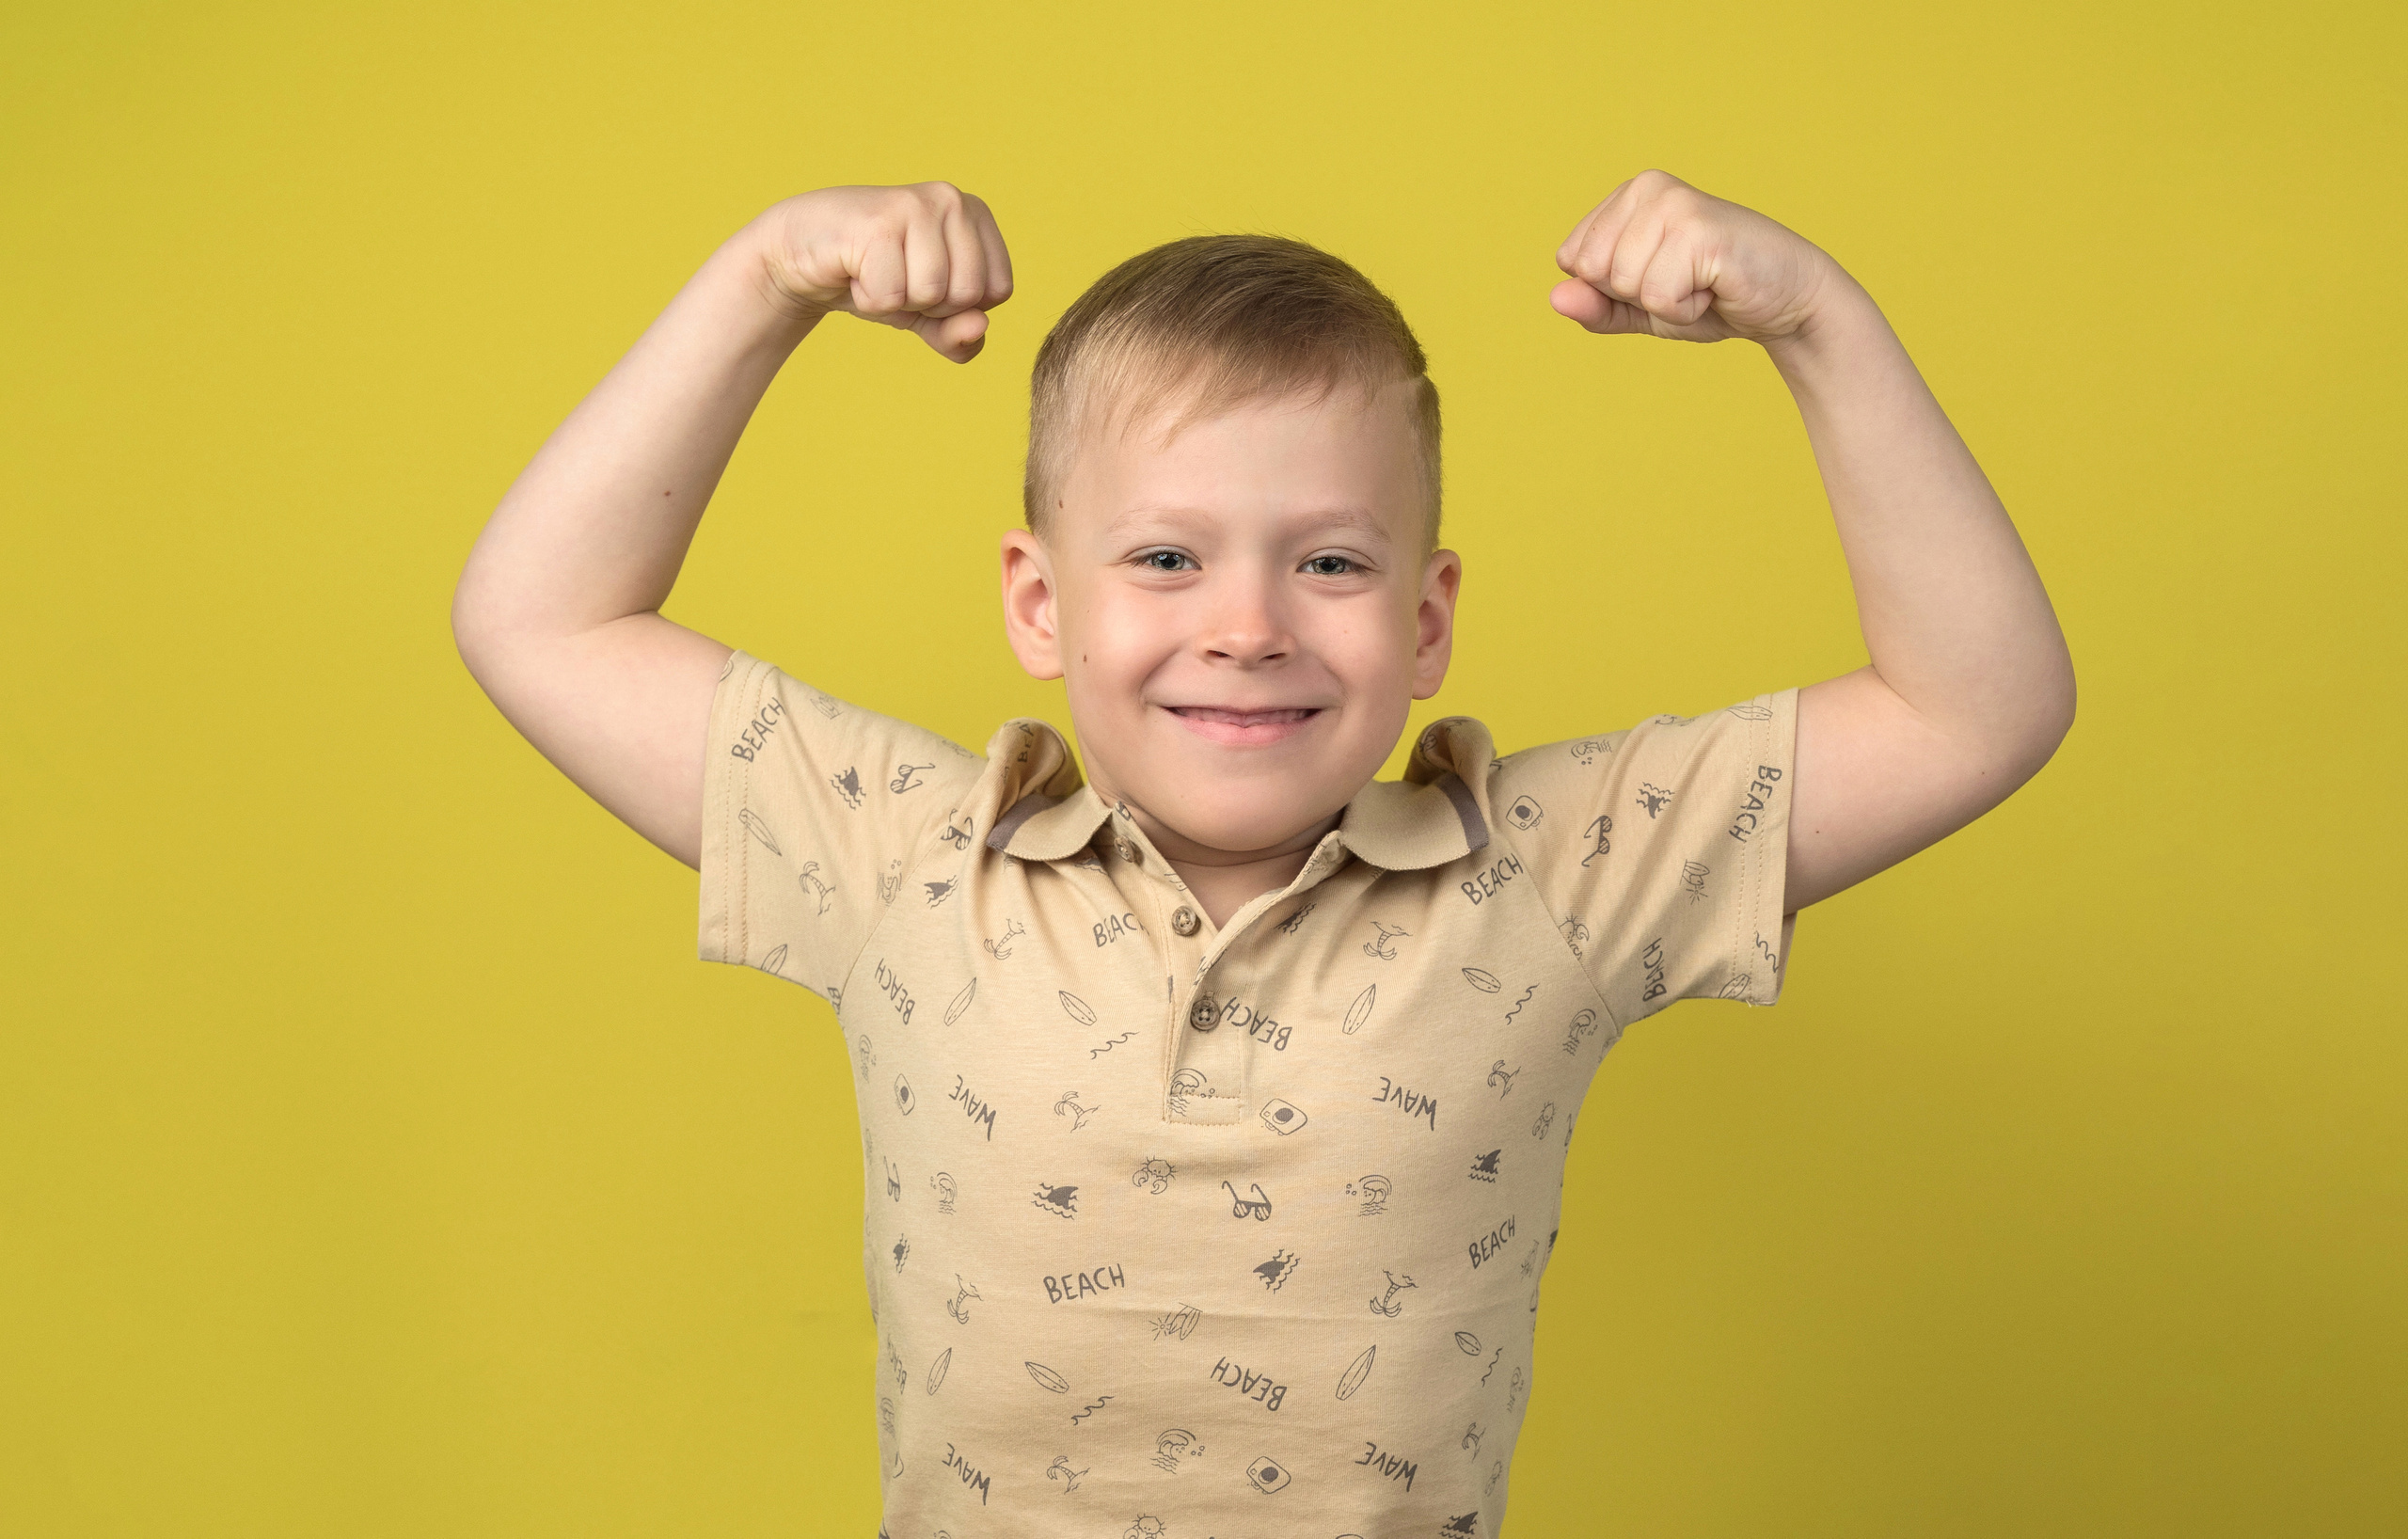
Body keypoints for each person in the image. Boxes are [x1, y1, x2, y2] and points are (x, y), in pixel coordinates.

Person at [452, 173, 2074, 1534]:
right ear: (1040, 603)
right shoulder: (913, 856)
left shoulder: (1554, 874)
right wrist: (765, 278)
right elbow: (543, 619)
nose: (1246, 627)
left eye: (1330, 562)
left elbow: (1973, 709)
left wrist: (1819, 326)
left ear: (1426, 619)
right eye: (1164, 556)